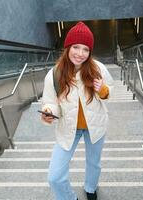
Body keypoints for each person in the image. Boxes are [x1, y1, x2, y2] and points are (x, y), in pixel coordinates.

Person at [40, 22, 113, 200]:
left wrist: (103, 90)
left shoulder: (98, 68)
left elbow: (110, 91)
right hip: (68, 127)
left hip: (95, 125)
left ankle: (90, 187)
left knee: (94, 163)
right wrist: (48, 111)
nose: (80, 54)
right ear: (67, 47)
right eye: (76, 47)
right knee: (55, 176)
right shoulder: (55, 74)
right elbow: (50, 102)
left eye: (86, 49)